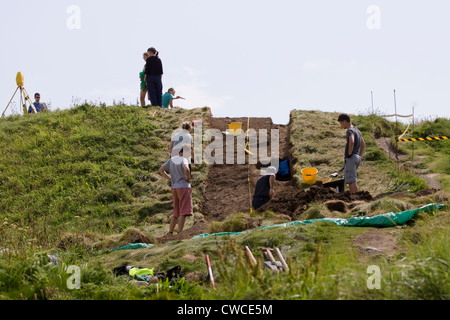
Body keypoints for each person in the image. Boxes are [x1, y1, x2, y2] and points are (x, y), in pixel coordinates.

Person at [158, 144, 193, 235]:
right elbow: (186, 169)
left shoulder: (172, 159)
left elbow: (161, 170)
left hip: (174, 187)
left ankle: (170, 232)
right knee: (183, 211)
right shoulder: (184, 159)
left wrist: (170, 179)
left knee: (176, 211)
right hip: (184, 186)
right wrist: (188, 178)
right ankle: (180, 233)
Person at [338, 113, 366, 193]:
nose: (341, 125)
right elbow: (363, 145)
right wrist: (359, 156)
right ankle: (355, 197)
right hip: (356, 157)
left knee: (351, 181)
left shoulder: (350, 131)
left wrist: (349, 154)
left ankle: (355, 198)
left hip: (351, 158)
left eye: (341, 123)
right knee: (352, 178)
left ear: (345, 121)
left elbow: (352, 141)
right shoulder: (357, 131)